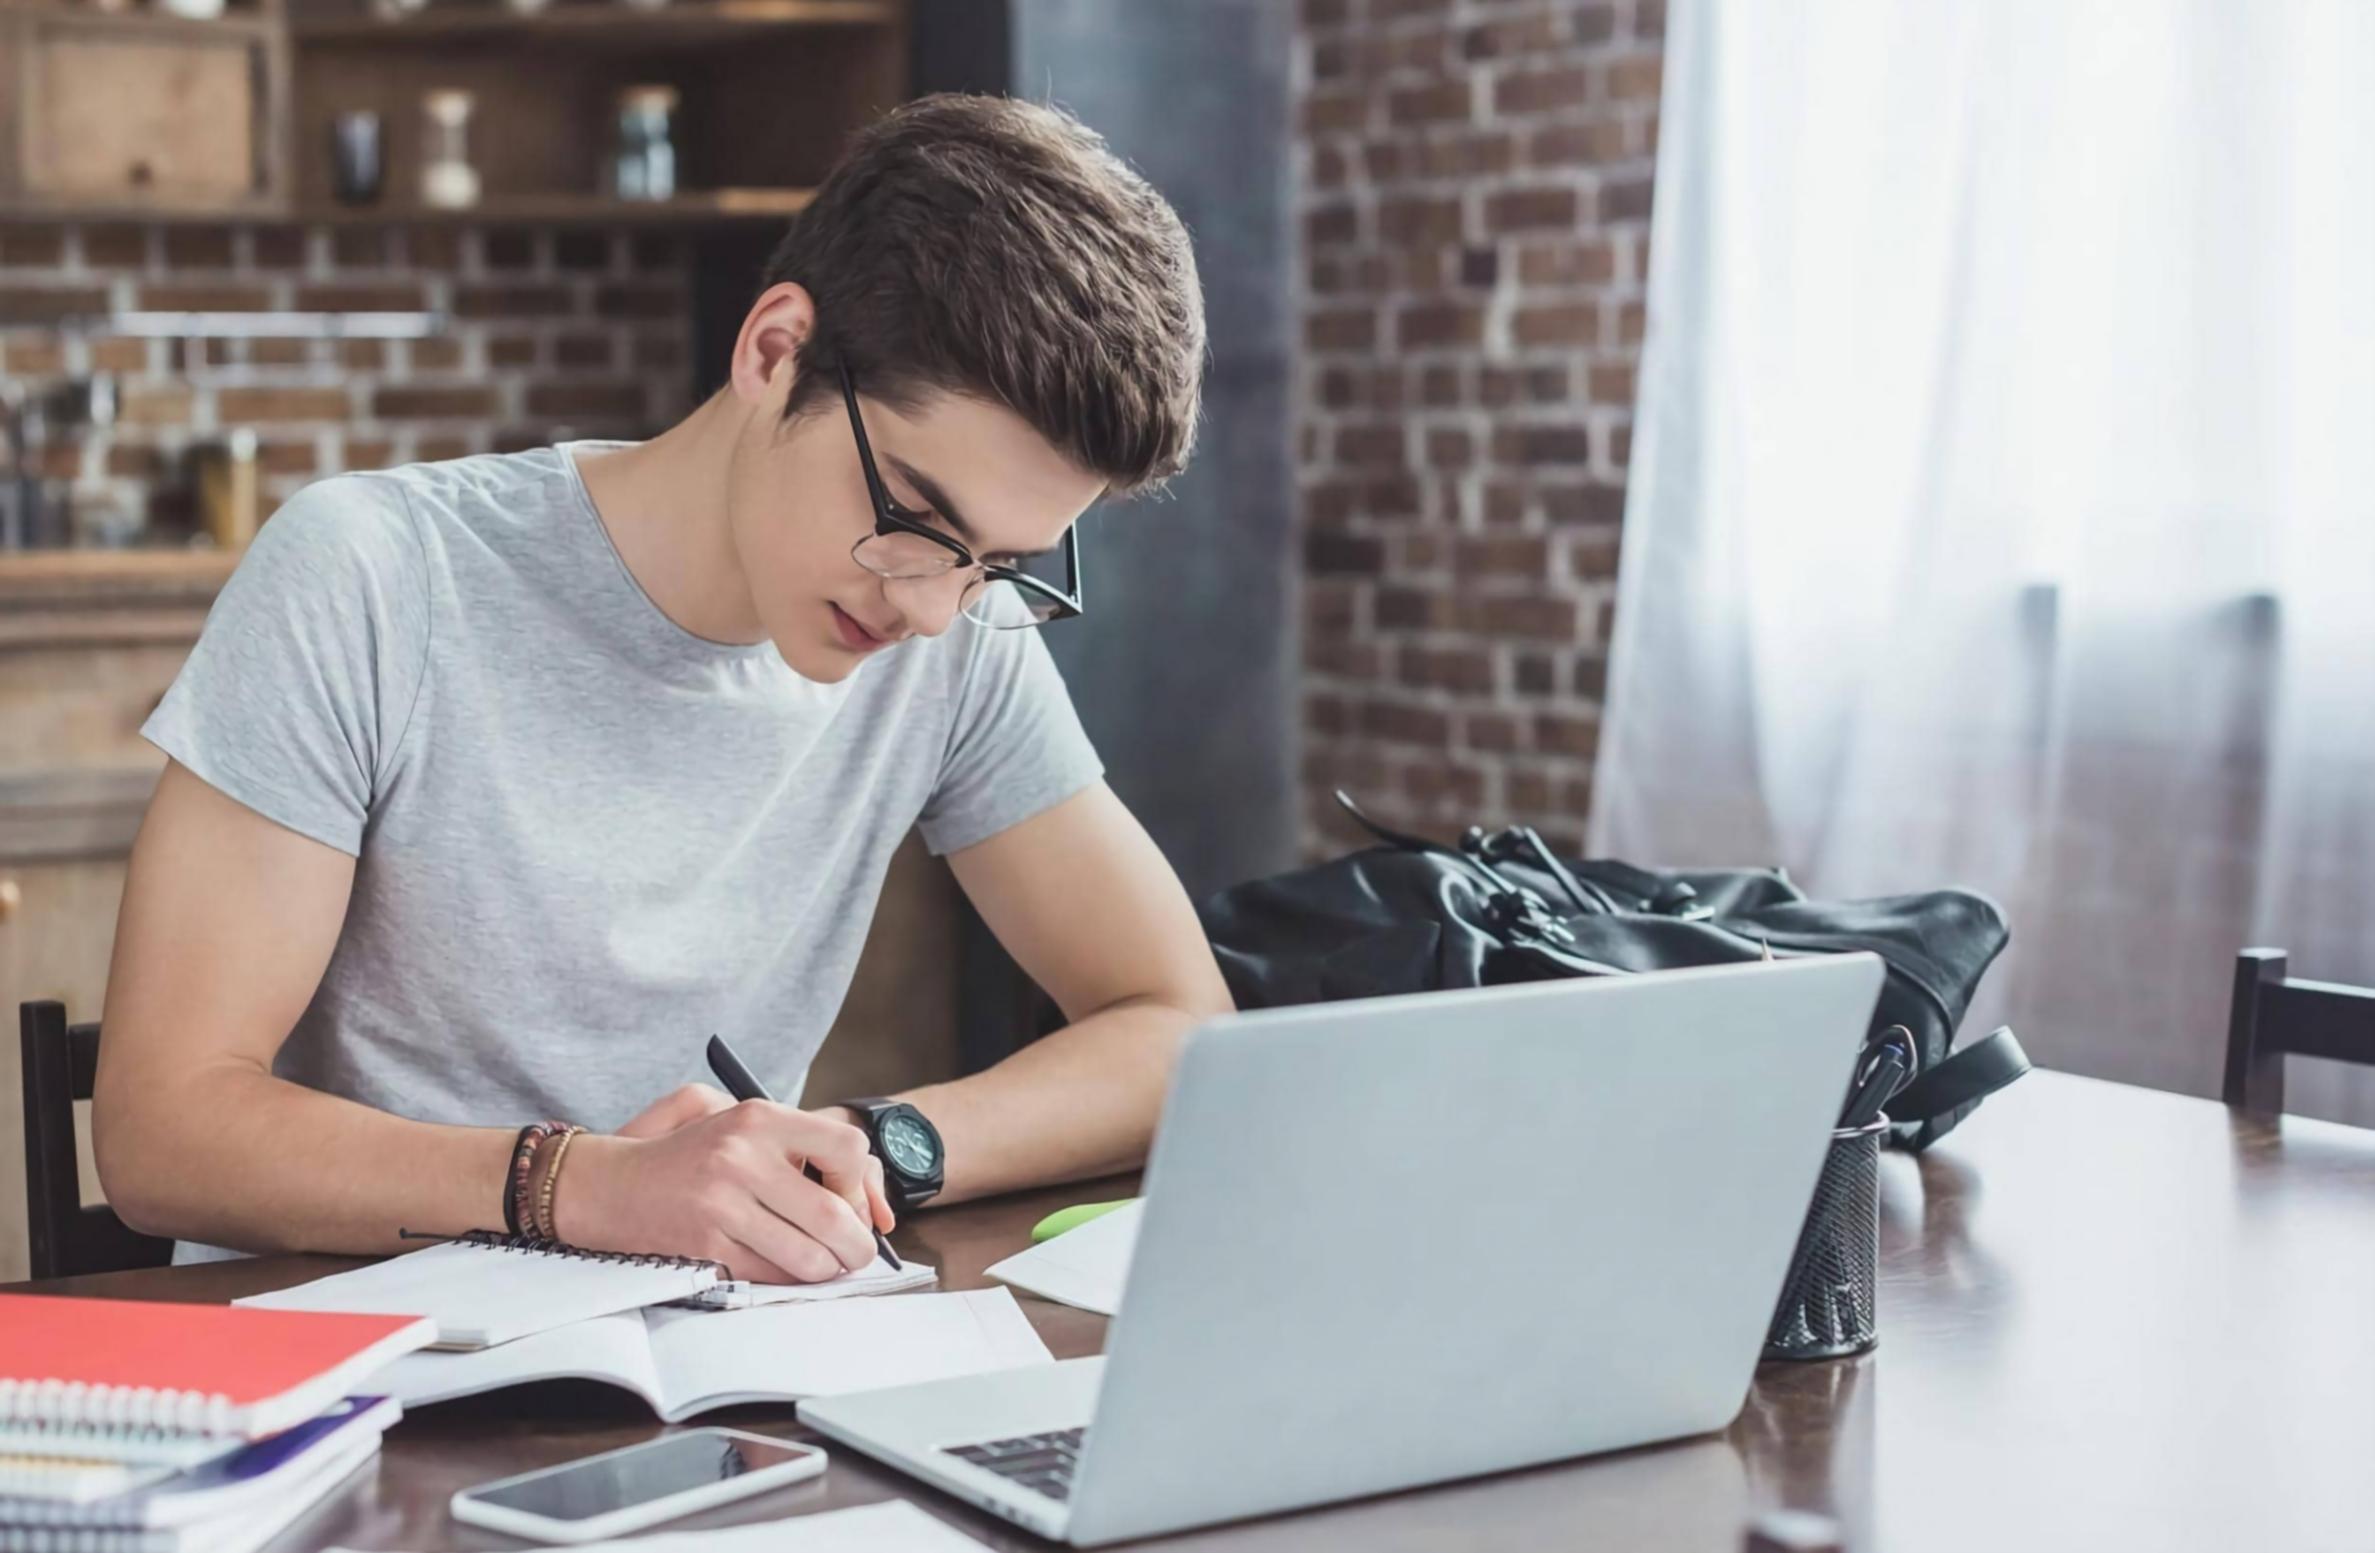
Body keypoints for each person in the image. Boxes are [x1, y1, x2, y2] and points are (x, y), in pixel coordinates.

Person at [92, 94, 1234, 1283]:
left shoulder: (956, 630)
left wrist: (868, 1143)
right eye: (914, 517)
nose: (930, 608)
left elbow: (1172, 1021)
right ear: (773, 350)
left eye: (998, 562)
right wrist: (590, 1185)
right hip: (337, 1374)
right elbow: (161, 1128)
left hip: (700, 1373)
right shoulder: (375, 573)